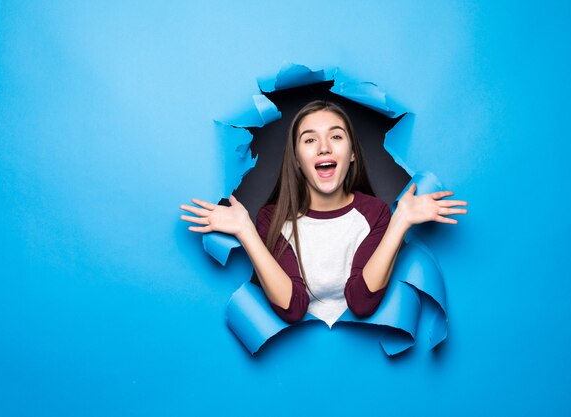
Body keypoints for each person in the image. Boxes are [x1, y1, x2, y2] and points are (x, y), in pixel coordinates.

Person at [180, 100, 467, 326]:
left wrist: (400, 221)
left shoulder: (375, 213)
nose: (324, 148)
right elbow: (292, 307)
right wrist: (245, 229)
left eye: (336, 137)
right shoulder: (273, 219)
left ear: (352, 153)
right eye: (309, 140)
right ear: (297, 159)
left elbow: (361, 302)